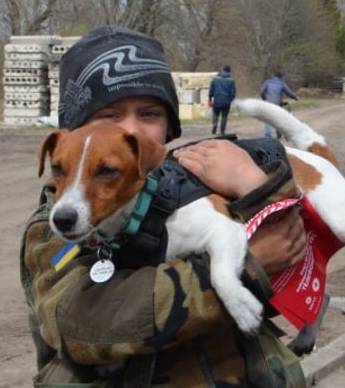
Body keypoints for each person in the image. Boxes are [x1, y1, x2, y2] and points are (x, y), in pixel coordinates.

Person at [20, 26, 310, 387]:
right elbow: (84, 323)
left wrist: (254, 188)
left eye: (149, 114)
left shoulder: (187, 184)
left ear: (168, 126)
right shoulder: (55, 225)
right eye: (109, 115)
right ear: (76, 128)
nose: (132, 129)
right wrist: (248, 268)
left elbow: (290, 243)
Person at [259, 72, 298, 139]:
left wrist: (264, 98)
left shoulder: (267, 82)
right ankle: (279, 135)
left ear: (274, 76)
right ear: (281, 77)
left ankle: (268, 136)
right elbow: (289, 92)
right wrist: (295, 97)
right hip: (277, 104)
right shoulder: (281, 83)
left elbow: (262, 92)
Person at [208, 65, 237, 136]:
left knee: (215, 114)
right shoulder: (231, 80)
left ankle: (215, 124)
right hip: (226, 101)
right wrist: (230, 100)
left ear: (222, 70)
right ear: (229, 71)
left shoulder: (215, 79)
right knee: (224, 117)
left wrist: (210, 98)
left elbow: (211, 90)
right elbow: (233, 93)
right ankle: (222, 131)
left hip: (217, 100)